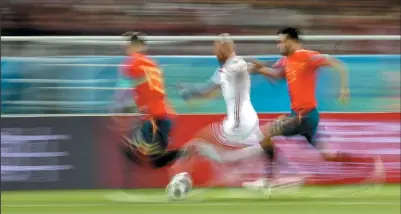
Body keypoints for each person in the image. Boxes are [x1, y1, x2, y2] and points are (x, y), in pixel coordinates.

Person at [198, 27, 383, 189]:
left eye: (281, 42)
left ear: (292, 41)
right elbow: (277, 75)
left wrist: (344, 89)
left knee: (264, 134)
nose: (278, 46)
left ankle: (270, 179)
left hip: (304, 116)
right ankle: (371, 163)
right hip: (305, 116)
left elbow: (338, 64)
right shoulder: (287, 61)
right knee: (328, 156)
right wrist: (259, 69)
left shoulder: (307, 56)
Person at [115, 32, 186, 168]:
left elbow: (128, 86)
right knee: (155, 159)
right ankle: (186, 153)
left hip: (155, 115)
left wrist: (122, 105)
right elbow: (151, 87)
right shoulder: (152, 64)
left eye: (128, 45)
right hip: (166, 114)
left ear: (133, 46)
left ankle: (187, 153)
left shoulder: (133, 62)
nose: (126, 48)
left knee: (136, 150)